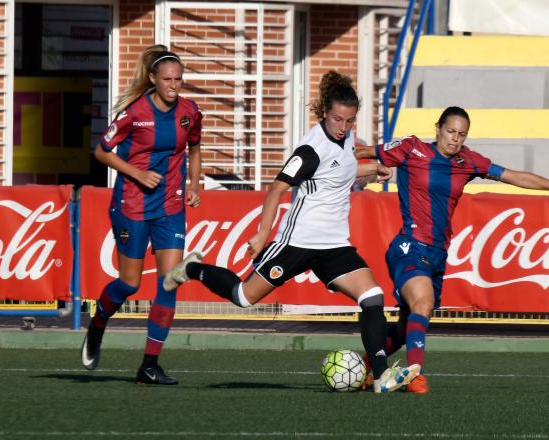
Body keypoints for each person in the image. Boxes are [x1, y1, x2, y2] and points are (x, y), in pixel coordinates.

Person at [164, 70, 421, 393]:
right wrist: (262, 234)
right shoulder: (309, 151)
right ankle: (192, 268)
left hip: (333, 245)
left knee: (372, 297)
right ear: (325, 113)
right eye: (338, 120)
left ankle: (382, 375)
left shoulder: (347, 141)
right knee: (244, 297)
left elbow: (342, 168)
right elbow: (276, 189)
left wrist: (373, 170)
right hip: (296, 242)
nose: (343, 127)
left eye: (350, 121)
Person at [356, 106, 549, 393]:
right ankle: (415, 374)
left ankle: (364, 367)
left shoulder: (467, 161)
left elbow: (515, 176)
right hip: (408, 245)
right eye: (450, 132)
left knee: (409, 327)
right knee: (423, 302)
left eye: (461, 135)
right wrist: (349, 165)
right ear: (438, 128)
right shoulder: (411, 149)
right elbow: (362, 153)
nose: (455, 139)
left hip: (437, 255)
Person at [80, 45, 202, 385]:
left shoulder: (190, 110)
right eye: (167, 79)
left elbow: (194, 146)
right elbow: (101, 152)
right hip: (132, 205)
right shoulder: (134, 113)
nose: (174, 85)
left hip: (171, 207)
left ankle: (149, 365)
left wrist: (194, 184)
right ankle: (98, 324)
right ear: (153, 79)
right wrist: (136, 172)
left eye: (179, 79)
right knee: (129, 283)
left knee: (170, 280)